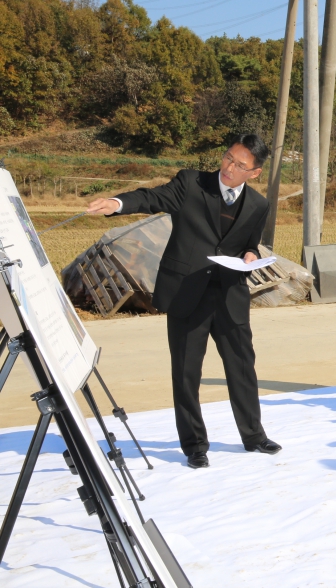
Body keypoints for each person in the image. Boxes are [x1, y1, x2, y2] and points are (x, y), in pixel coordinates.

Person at [85, 135, 280, 469]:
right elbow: (151, 197)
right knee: (187, 372)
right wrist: (117, 203)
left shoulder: (258, 206)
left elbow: (251, 243)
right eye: (228, 158)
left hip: (230, 296)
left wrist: (250, 254)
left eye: (240, 165)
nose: (229, 168)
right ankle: (194, 445)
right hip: (187, 294)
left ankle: (254, 435)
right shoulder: (191, 183)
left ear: (255, 173)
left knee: (242, 368)